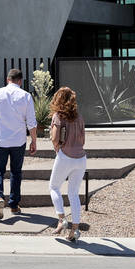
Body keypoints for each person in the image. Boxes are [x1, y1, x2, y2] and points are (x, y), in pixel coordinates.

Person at [0, 68, 37, 221]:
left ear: (8, 80)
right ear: (20, 81)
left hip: (0, 140)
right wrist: (34, 141)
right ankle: (14, 204)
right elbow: (31, 122)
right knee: (16, 172)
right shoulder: (26, 96)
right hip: (18, 140)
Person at [48, 86, 86, 242]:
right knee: (73, 193)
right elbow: (83, 140)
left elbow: (55, 138)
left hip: (65, 156)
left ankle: (62, 218)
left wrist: (57, 147)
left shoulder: (58, 116)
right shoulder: (79, 117)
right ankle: (75, 230)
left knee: (54, 187)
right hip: (81, 158)